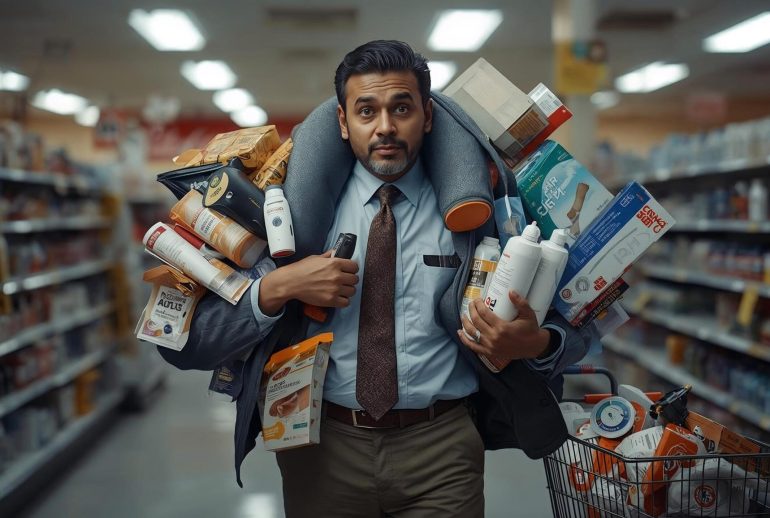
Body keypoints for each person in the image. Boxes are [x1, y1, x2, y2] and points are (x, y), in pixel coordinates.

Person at [158, 40, 597, 517]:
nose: (385, 127)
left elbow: (580, 326)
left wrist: (531, 344)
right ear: (343, 123)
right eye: (366, 111)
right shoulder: (285, 213)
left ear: (427, 116)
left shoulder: (485, 212)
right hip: (322, 448)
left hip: (443, 449)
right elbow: (182, 344)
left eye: (401, 108)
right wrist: (279, 287)